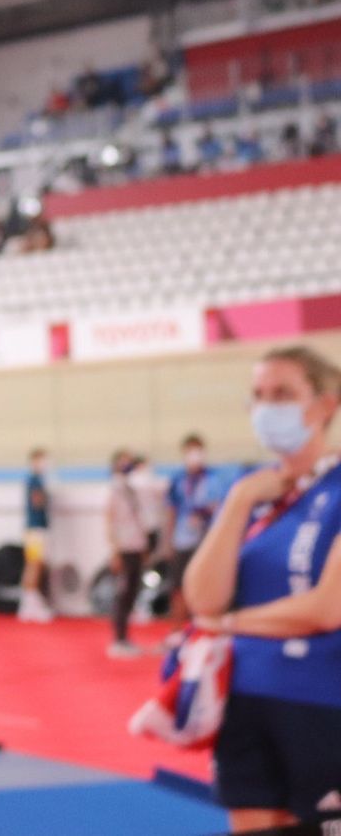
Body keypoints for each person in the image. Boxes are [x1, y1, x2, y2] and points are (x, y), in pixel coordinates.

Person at [184, 345, 341, 831]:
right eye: (258, 395)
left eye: (283, 393)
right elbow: (202, 598)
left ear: (325, 404)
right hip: (245, 697)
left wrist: (226, 624)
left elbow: (327, 608)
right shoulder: (251, 492)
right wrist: (239, 500)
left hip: (321, 702)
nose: (268, 406)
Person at [163, 434, 225, 628]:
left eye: (198, 451)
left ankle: (201, 627)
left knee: (204, 585)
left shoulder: (213, 479)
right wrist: (168, 541)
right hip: (182, 539)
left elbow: (220, 508)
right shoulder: (177, 480)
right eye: (190, 451)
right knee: (178, 585)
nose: (195, 455)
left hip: (206, 539)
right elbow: (171, 511)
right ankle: (177, 629)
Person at [106, 449, 149, 658]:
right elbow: (110, 521)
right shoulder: (114, 490)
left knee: (132, 592)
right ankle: (118, 639)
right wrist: (114, 551)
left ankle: (125, 638)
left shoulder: (131, 489)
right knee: (123, 594)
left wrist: (143, 547)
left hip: (135, 546)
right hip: (123, 548)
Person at [18, 448, 54, 623]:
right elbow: (37, 501)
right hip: (36, 528)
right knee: (35, 564)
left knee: (33, 564)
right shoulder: (35, 480)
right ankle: (30, 602)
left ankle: (28, 602)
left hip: (34, 528)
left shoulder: (34, 480)